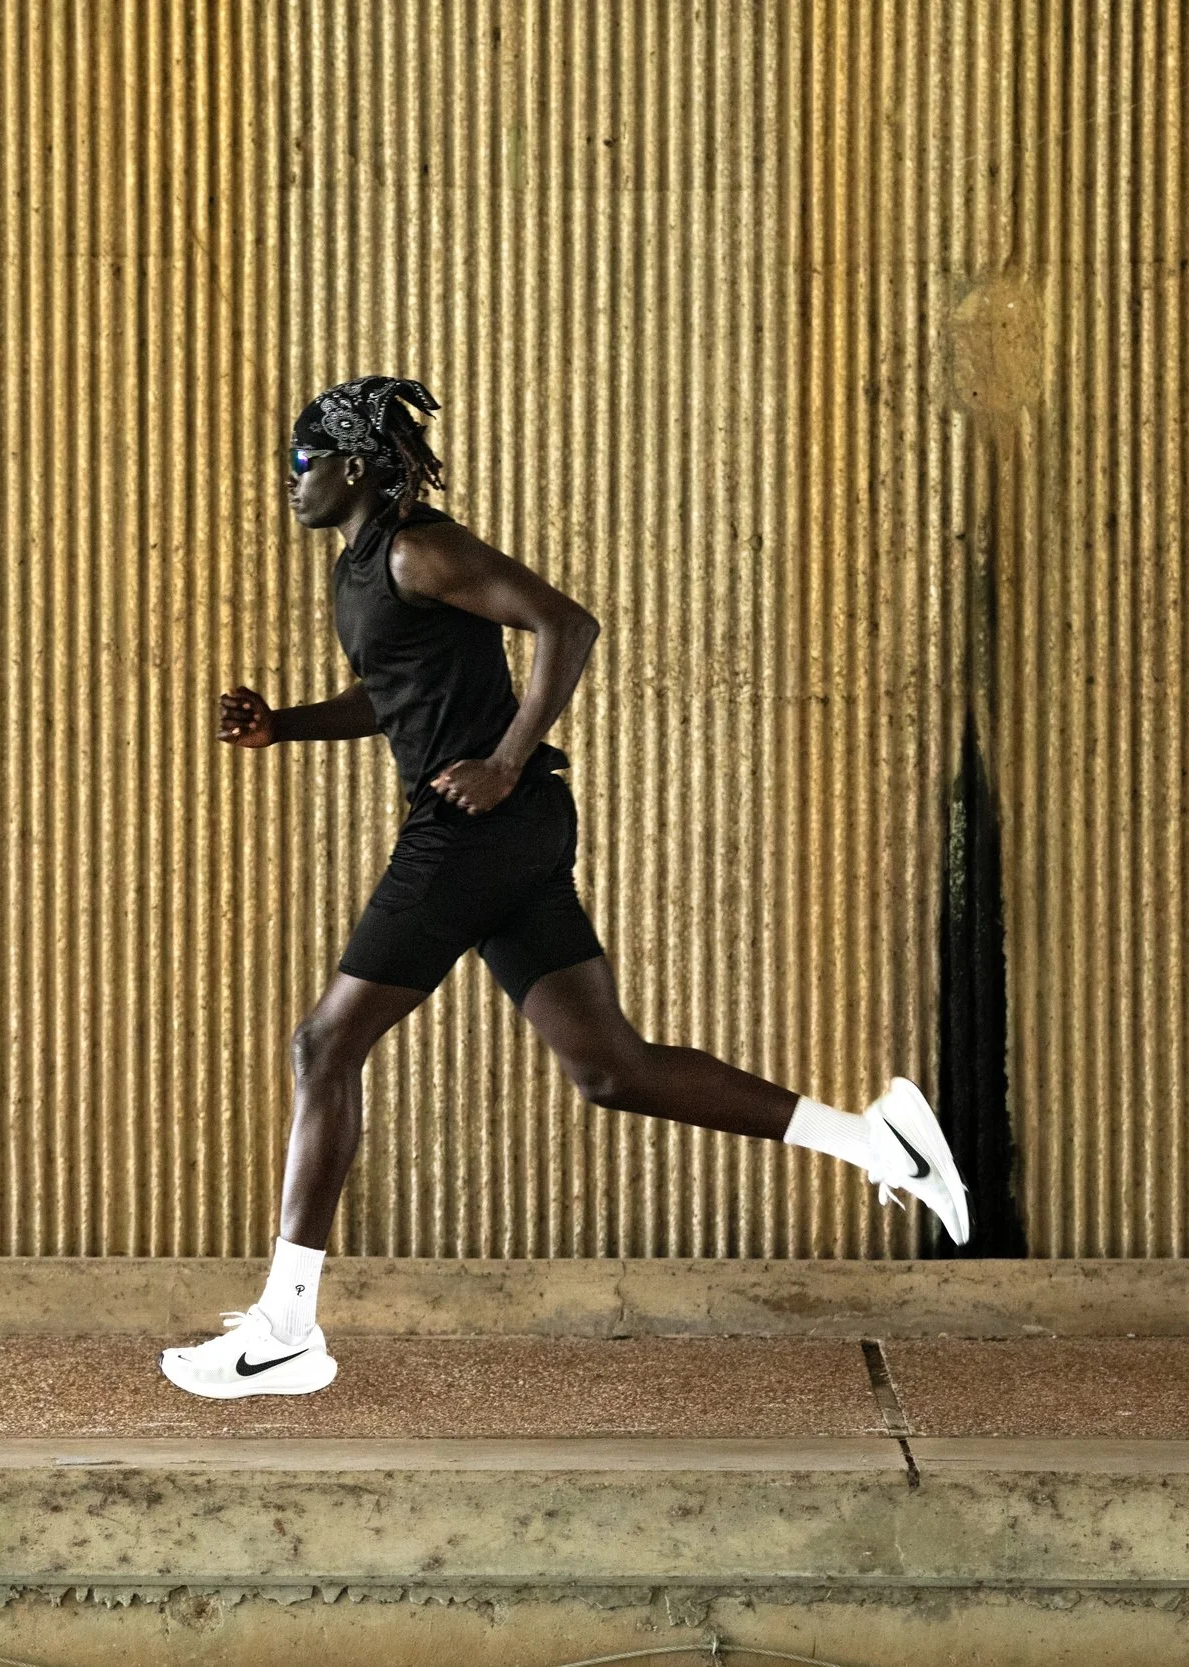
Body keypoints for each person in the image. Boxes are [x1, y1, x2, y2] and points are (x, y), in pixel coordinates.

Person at [160, 376, 968, 1399]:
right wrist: (284, 723)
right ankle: (872, 1138)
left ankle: (284, 1325)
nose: (290, 480)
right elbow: (390, 696)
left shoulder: (418, 546)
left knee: (325, 1043)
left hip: (474, 826)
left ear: (354, 466)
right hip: (507, 832)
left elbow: (565, 624)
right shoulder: (359, 571)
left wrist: (502, 760)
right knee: (611, 1069)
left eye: (300, 462)